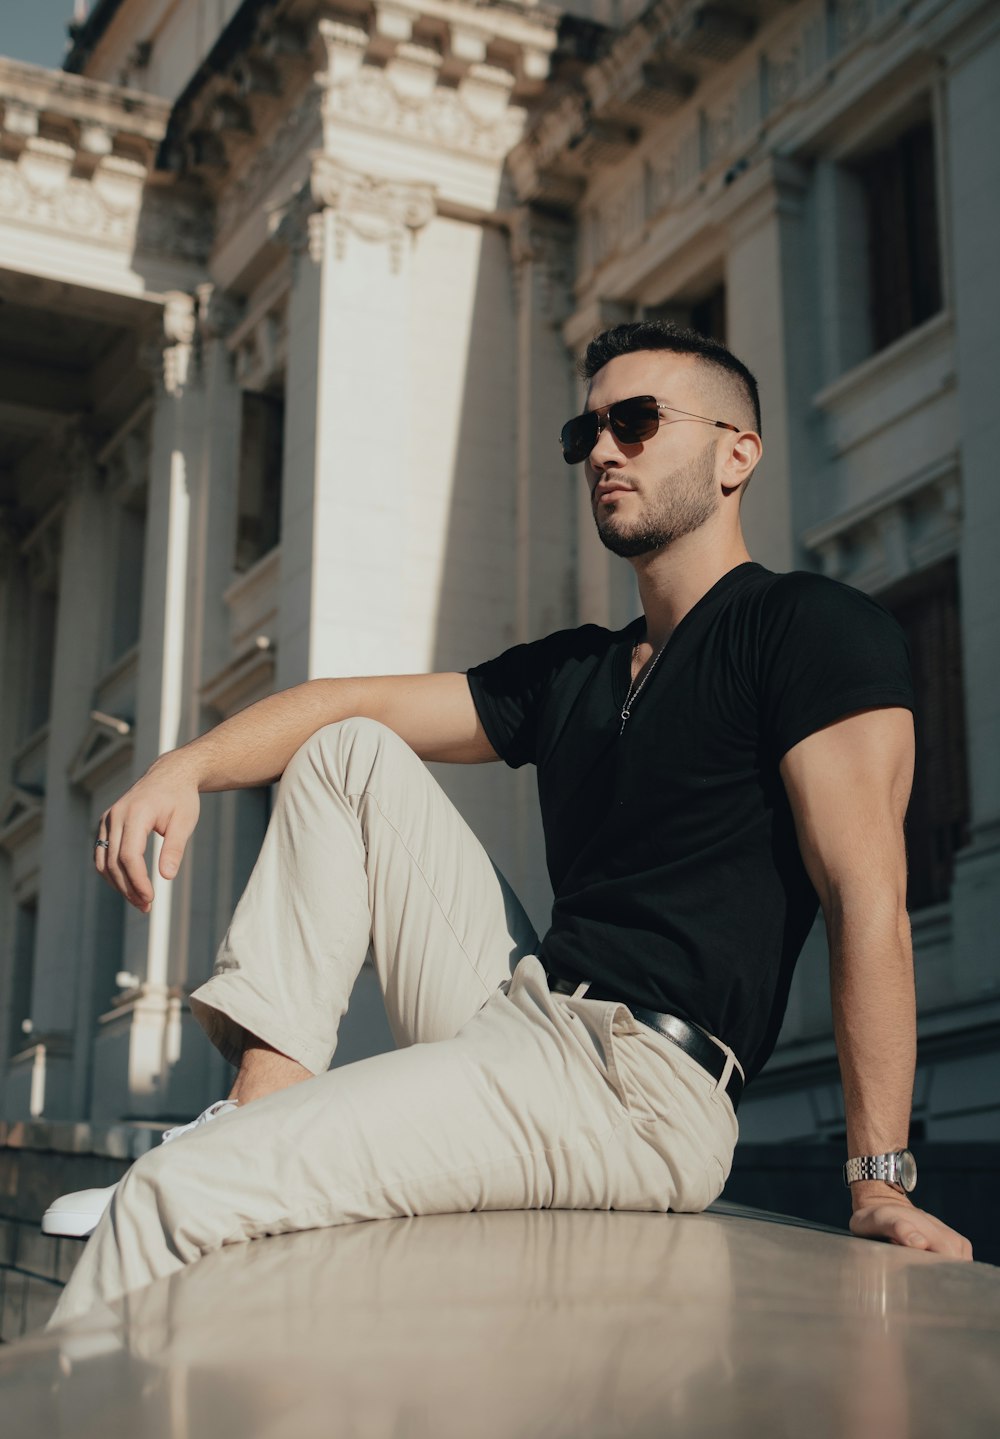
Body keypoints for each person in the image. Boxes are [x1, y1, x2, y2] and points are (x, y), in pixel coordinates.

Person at [47, 321, 970, 1325]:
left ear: (736, 453)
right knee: (349, 753)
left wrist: (879, 1180)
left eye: (637, 422)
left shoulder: (810, 628)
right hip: (521, 1018)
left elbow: (867, 901)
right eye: (588, 434)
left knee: (170, 1200)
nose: (605, 451)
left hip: (636, 1083)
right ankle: (257, 1109)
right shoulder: (578, 670)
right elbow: (345, 702)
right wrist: (183, 767)